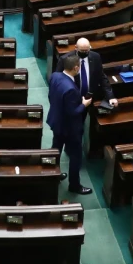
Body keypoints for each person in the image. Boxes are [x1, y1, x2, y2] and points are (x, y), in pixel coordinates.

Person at [47, 53, 93, 195]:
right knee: (75, 157)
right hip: (70, 129)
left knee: (56, 150)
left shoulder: (55, 76)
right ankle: (74, 185)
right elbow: (73, 112)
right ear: (75, 68)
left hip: (56, 122)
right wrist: (84, 104)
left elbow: (51, 96)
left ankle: (51, 175)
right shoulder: (71, 89)